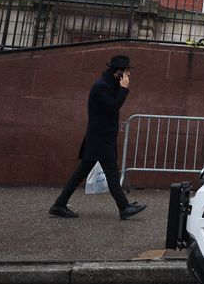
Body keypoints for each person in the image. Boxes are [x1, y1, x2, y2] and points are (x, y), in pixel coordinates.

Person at [49, 55, 147, 220]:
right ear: (119, 73)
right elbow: (113, 107)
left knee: (81, 173)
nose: (130, 75)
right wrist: (124, 88)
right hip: (100, 138)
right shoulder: (102, 87)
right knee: (111, 172)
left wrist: (120, 87)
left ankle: (59, 205)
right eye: (127, 72)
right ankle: (124, 208)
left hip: (100, 137)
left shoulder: (109, 84)